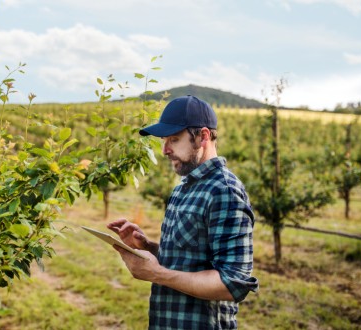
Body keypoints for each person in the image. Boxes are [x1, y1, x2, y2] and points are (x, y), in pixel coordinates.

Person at [107, 95, 258, 329]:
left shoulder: (223, 191)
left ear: (203, 137)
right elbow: (189, 260)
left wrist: (156, 274)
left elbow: (232, 283)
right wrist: (147, 246)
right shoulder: (183, 188)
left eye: (174, 140)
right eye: (164, 141)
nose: (165, 150)